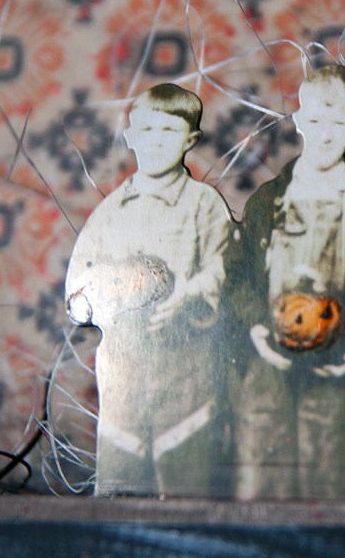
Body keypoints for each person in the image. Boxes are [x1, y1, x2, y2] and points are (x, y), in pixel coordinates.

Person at [225, 65, 345, 501]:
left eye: (337, 122)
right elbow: (238, 276)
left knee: (332, 460)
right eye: (315, 120)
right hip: (271, 353)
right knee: (263, 454)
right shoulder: (268, 200)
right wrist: (257, 328)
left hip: (338, 354)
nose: (324, 133)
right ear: (299, 121)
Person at [65, 83, 232, 497]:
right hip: (125, 365)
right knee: (124, 470)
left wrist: (189, 293)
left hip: (188, 361)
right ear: (131, 137)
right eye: (148, 130)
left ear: (191, 140)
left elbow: (225, 265)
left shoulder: (204, 205)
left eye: (170, 132)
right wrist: (103, 294)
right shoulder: (110, 213)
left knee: (186, 471)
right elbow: (78, 291)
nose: (157, 142)